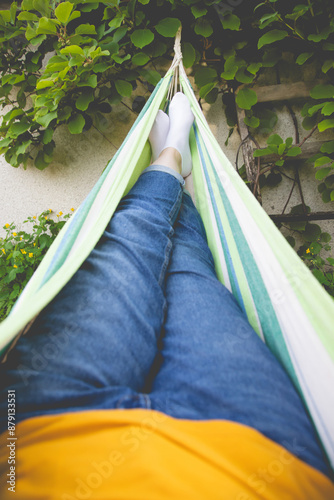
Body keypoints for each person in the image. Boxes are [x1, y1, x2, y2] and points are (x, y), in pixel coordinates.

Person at [0, 93, 333, 499]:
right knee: (190, 267)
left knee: (132, 239)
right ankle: (173, 158)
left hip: (38, 430)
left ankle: (171, 156)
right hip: (249, 452)